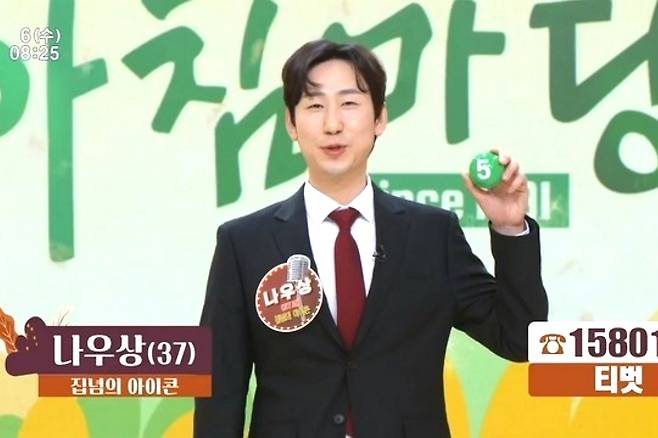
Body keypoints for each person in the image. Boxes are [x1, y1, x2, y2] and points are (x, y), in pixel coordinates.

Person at [194, 39, 548, 438]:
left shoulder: (431, 235)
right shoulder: (244, 243)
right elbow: (219, 387)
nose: (332, 124)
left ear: (380, 118)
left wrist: (509, 228)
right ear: (291, 123)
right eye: (315, 106)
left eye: (349, 103)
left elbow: (520, 339)